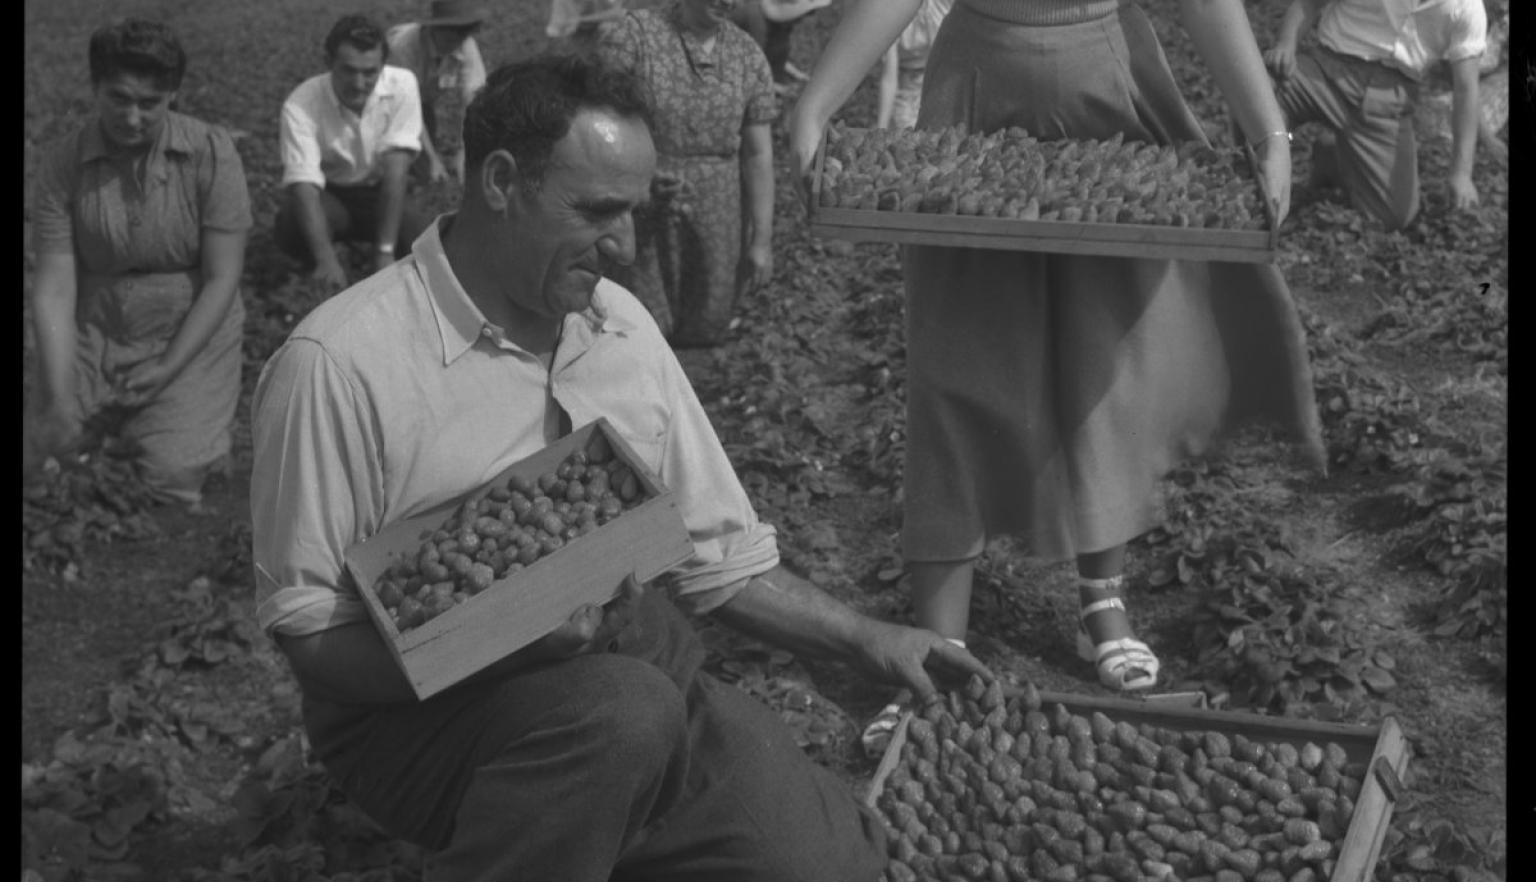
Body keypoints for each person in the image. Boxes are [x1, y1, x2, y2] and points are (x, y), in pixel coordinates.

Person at [249, 54, 988, 881]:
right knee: (622, 716)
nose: (628, 246)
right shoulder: (341, 363)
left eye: (633, 210)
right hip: (418, 716)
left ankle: (614, 823)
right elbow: (312, 637)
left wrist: (869, 639)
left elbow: (715, 555)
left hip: (629, 665)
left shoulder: (618, 325)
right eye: (598, 210)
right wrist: (498, 638)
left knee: (823, 860)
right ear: (499, 182)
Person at [790, 0, 1325, 714]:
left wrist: (1268, 127)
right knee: (954, 364)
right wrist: (816, 103)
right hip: (975, 89)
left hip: (1110, 84)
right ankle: (938, 642)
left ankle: (1102, 602)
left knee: (1105, 357)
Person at [28, 18, 252, 509]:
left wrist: (170, 366)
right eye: (118, 98)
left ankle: (191, 428)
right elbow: (54, 289)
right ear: (95, 88)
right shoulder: (63, 163)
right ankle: (112, 417)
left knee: (168, 477)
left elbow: (222, 278)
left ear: (173, 94)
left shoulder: (211, 154)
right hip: (98, 323)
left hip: (188, 326)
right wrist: (59, 395)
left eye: (149, 103)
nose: (132, 117)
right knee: (40, 454)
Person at [597, 0, 776, 347]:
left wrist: (762, 239)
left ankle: (694, 392)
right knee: (635, 322)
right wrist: (638, 177)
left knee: (708, 321)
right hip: (642, 203)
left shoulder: (746, 54)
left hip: (719, 212)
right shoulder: (635, 36)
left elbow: (758, 154)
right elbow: (602, 121)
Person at [1262, 0, 1489, 229]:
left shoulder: (1466, 7)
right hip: (1324, 70)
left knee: (1394, 216)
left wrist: (1461, 173)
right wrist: (1286, 45)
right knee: (1261, 93)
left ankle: (1333, 157)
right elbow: (1309, 4)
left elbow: (1466, 88)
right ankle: (1254, 181)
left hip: (1388, 98)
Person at [273, 14, 428, 294]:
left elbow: (396, 171)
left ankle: (374, 245)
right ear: (328, 63)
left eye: (370, 72)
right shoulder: (300, 104)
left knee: (419, 235)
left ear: (383, 65)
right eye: (348, 70)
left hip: (379, 191)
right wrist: (326, 261)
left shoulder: (403, 85)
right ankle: (326, 253)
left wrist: (384, 252)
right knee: (290, 226)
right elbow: (304, 187)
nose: (359, 83)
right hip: (330, 194)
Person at [386, 0, 490, 187]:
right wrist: (433, 160)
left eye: (464, 32)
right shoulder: (403, 47)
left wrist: (464, 151)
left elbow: (475, 100)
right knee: (422, 171)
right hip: (388, 105)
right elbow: (406, 106)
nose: (457, 40)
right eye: (452, 32)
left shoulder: (465, 44)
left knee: (434, 166)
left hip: (423, 99)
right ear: (435, 29)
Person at [875, 0, 951, 130]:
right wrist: (881, 127)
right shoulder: (891, 14)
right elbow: (889, 79)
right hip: (907, 88)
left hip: (942, 84)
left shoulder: (943, 6)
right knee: (905, 132)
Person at [730, 0, 831, 89]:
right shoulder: (756, 21)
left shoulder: (779, 27)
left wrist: (798, 75)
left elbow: (772, 53)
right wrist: (782, 89)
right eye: (809, 13)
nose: (807, 17)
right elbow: (750, 68)